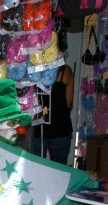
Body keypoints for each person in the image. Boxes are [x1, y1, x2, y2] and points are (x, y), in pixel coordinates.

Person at [32, 37, 74, 165]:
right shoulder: (65, 71)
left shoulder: (32, 71)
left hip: (37, 129)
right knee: (59, 171)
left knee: (34, 170)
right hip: (60, 127)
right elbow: (68, 103)